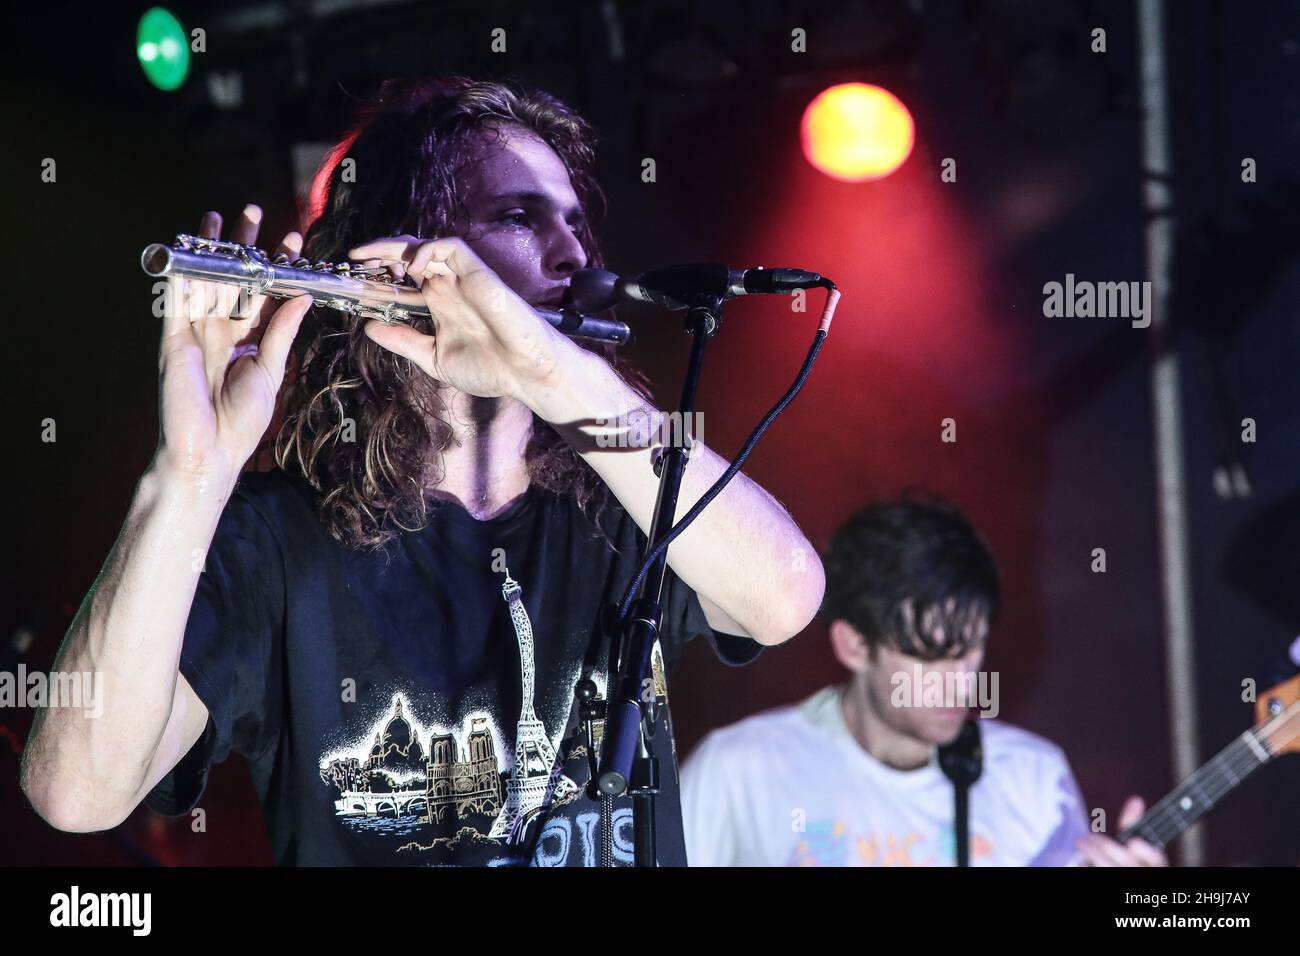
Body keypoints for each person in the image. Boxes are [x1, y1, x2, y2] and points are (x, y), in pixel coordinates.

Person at [20, 76, 825, 866]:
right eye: (519, 216)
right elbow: (77, 795)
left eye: (578, 223)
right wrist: (190, 472)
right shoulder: (271, 545)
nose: (575, 253)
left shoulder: (621, 504)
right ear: (402, 262)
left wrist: (550, 373)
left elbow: (785, 596)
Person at [681, 495, 1167, 867]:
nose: (958, 682)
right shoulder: (738, 769)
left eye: (969, 650)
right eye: (929, 656)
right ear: (854, 646)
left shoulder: (1034, 776)